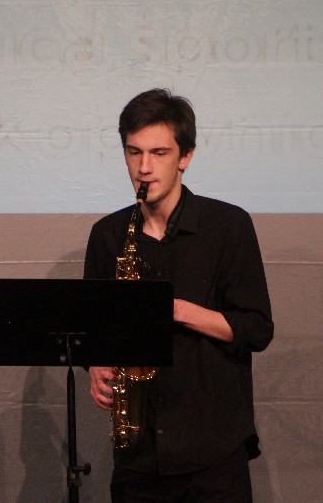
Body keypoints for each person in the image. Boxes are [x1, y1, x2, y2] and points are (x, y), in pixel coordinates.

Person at [85, 89, 273, 502]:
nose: (144, 167)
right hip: (138, 454)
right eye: (134, 152)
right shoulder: (107, 235)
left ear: (185, 156)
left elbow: (257, 329)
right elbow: (94, 330)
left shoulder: (228, 226)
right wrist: (95, 364)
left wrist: (176, 310)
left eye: (159, 153)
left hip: (212, 451)